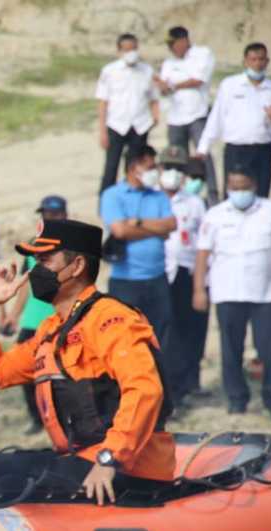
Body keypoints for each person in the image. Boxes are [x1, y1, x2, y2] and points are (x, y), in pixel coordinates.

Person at [0, 219, 175, 504]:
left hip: (128, 466)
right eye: (34, 260)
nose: (35, 270)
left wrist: (109, 459)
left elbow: (145, 389)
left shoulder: (111, 319)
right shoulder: (52, 330)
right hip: (80, 458)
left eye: (45, 260)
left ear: (78, 266)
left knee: (8, 486)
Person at [193, 169, 271, 418]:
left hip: (265, 293)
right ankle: (237, 399)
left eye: (244, 186)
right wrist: (198, 289)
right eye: (234, 186)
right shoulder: (215, 215)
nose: (240, 192)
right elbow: (203, 255)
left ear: (254, 184)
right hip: (228, 292)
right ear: (227, 186)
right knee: (231, 349)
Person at [99, 145, 177, 343]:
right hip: (126, 281)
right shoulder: (113, 195)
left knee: (160, 339)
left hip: (158, 278)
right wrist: (156, 229)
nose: (155, 172)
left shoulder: (159, 196)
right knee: (127, 338)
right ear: (134, 168)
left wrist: (139, 222)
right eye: (150, 167)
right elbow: (120, 231)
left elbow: (171, 225)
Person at [5, 194, 69, 434]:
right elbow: (26, 281)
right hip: (32, 320)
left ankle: (60, 417)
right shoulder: (34, 245)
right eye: (45, 215)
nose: (48, 219)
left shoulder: (70, 246)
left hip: (58, 319)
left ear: (63, 214)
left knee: (60, 372)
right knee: (24, 371)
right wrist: (13, 314)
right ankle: (37, 417)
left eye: (53, 214)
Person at [197, 43, 271, 198]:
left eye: (261, 59)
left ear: (267, 61)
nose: (257, 64)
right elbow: (217, 117)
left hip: (262, 150)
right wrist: (203, 147)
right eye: (253, 59)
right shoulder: (230, 85)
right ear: (245, 61)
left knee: (261, 195)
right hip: (236, 150)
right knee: (234, 194)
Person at [156, 146, 208, 407]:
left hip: (186, 272)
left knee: (190, 328)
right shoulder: (151, 198)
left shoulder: (194, 202)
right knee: (166, 332)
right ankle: (169, 387)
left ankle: (189, 383)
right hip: (159, 272)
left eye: (178, 168)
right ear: (159, 169)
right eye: (168, 167)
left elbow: (204, 241)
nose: (172, 173)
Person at [156, 27, 218, 202]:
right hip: (175, 117)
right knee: (176, 158)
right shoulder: (169, 63)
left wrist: (174, 86)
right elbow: (165, 88)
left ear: (183, 40)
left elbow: (198, 80)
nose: (171, 48)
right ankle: (178, 194)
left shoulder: (202, 54)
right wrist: (162, 88)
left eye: (173, 44)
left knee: (202, 154)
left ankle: (212, 194)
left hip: (197, 114)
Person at [96, 33, 160, 194]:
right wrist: (102, 131)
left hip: (140, 125)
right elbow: (103, 102)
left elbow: (153, 97)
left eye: (134, 49)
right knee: (111, 166)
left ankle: (132, 198)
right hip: (116, 124)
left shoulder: (146, 71)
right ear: (119, 51)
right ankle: (106, 201)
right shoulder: (109, 71)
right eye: (127, 49)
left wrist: (155, 116)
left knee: (135, 166)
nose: (131, 52)